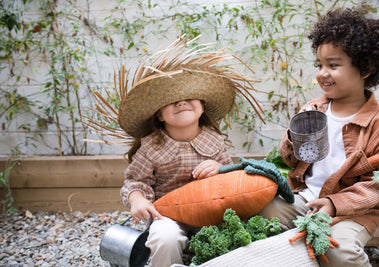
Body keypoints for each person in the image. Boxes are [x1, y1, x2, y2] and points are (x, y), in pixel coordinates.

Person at [87, 36, 264, 267]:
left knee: (232, 236)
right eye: (172, 101)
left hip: (209, 213)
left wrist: (220, 169)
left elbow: (231, 180)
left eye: (189, 97)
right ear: (159, 115)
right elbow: (135, 182)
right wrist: (137, 199)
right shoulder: (152, 146)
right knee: (165, 238)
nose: (181, 103)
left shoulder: (214, 141)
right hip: (168, 216)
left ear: (202, 107)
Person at [258, 8, 379, 266]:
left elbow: (377, 187)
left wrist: (335, 204)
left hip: (354, 210)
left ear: (365, 68)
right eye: (319, 65)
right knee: (265, 215)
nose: (323, 73)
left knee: (339, 251)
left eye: (333, 65)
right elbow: (291, 160)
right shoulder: (314, 109)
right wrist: (293, 137)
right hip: (306, 196)